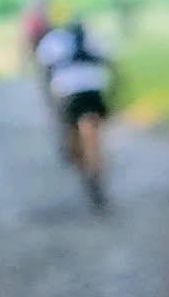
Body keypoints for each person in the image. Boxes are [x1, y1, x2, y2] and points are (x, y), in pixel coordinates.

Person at [32, 14, 114, 211]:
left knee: (72, 138)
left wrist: (51, 99)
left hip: (69, 95)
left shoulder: (53, 41)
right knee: (95, 137)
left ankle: (84, 167)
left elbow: (46, 71)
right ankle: (95, 170)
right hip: (94, 93)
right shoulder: (97, 39)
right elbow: (111, 64)